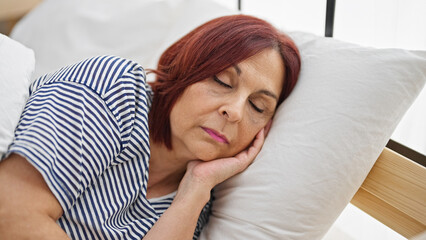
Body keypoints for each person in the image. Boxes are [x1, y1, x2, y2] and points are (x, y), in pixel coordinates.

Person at [0, 14, 300, 239]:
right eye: (221, 81)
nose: (234, 111)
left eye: (257, 107)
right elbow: (10, 212)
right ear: (185, 67)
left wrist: (195, 189)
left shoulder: (195, 206)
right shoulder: (113, 88)